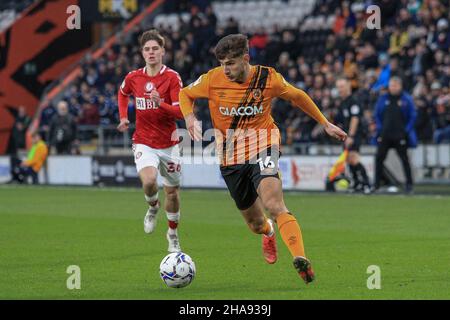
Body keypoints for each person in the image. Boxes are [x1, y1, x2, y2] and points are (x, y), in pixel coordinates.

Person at [179, 34, 347, 284]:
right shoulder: (212, 79)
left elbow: (297, 96)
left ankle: (300, 258)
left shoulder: (268, 78)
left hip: (263, 145)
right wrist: (190, 118)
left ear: (246, 59)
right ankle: (268, 231)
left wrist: (324, 123)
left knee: (274, 203)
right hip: (230, 157)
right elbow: (185, 94)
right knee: (256, 223)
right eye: (222, 63)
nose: (225, 69)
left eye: (231, 63)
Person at [117, 29, 185, 253]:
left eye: (155, 48)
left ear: (163, 51)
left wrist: (160, 103)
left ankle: (172, 233)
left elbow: (179, 112)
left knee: (172, 192)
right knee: (148, 181)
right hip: (144, 141)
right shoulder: (134, 77)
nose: (151, 52)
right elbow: (122, 93)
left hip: (170, 144)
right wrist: (124, 117)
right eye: (147, 49)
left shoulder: (172, 78)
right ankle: (153, 207)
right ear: (142, 53)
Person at [374, 76, 417, 193]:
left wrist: (406, 130)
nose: (393, 88)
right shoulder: (383, 99)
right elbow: (377, 115)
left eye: (395, 85)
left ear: (400, 86)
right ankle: (376, 184)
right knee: (379, 158)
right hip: (385, 134)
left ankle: (409, 184)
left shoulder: (406, 99)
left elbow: (413, 116)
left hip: (400, 135)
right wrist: (380, 128)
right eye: (391, 85)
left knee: (404, 160)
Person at [335, 77, 371, 193]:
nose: (340, 89)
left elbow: (355, 119)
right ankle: (357, 183)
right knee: (349, 160)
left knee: (354, 159)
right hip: (346, 135)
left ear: (348, 86)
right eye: (338, 87)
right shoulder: (343, 103)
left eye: (342, 86)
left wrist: (351, 136)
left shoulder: (354, 101)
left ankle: (366, 184)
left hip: (354, 134)